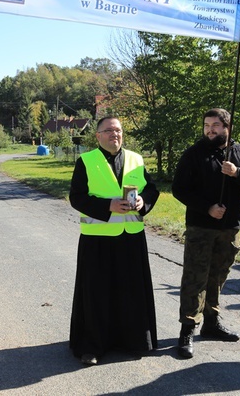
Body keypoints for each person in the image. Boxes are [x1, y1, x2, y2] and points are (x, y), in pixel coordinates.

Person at [172, 108, 240, 359]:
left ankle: (212, 323)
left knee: (218, 278)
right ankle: (187, 329)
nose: (210, 130)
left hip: (230, 228)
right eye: (206, 125)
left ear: (227, 127)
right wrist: (207, 208)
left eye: (215, 125)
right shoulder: (193, 154)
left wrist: (238, 173)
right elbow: (179, 189)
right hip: (201, 228)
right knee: (195, 278)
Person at [68, 116, 160, 366]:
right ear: (97, 136)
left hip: (131, 238)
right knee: (96, 295)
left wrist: (144, 202)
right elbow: (76, 198)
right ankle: (93, 346)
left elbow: (152, 189)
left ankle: (133, 341)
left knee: (131, 293)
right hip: (97, 239)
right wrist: (107, 206)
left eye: (118, 130)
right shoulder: (86, 161)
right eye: (108, 131)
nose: (114, 134)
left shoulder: (136, 159)